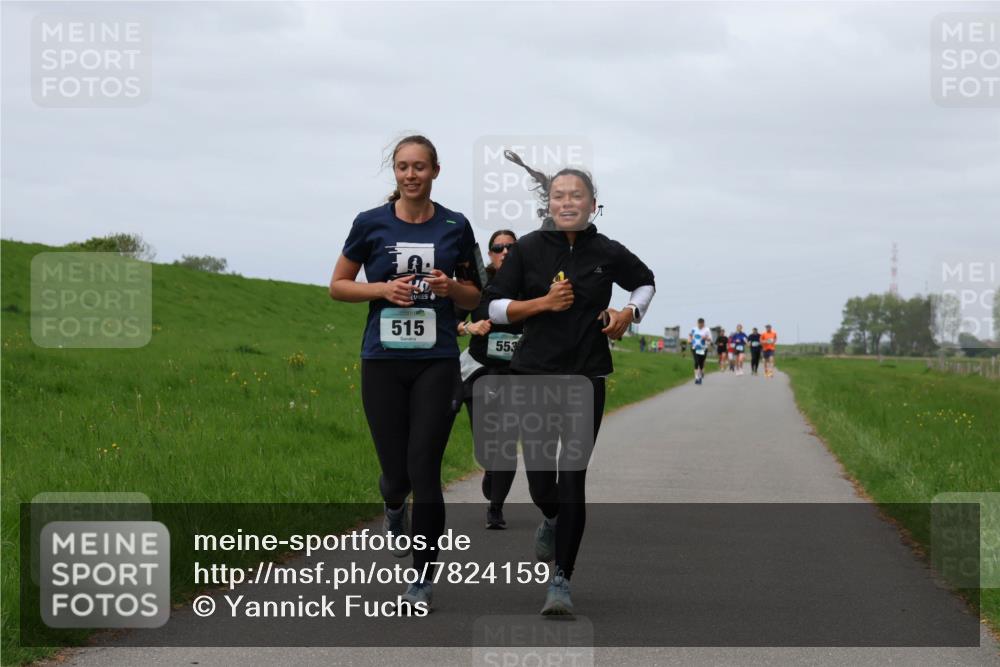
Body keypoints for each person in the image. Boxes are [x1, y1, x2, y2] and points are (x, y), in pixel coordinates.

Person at [485, 152, 655, 616]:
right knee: (544, 485)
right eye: (559, 195)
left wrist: (628, 313)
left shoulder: (608, 252)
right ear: (549, 202)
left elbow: (645, 282)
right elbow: (493, 308)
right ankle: (551, 518)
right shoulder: (526, 249)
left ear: (592, 203)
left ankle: (561, 579)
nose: (567, 201)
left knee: (573, 478)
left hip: (586, 376)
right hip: (533, 374)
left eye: (576, 195)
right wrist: (540, 303)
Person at [329, 135, 481, 610]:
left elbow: (476, 297)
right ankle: (393, 506)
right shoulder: (369, 223)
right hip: (383, 361)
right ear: (394, 173)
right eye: (402, 167)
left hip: (436, 360)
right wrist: (381, 290)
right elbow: (337, 286)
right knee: (396, 475)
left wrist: (452, 286)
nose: (411, 175)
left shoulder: (456, 225)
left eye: (419, 167)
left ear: (436, 171)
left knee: (425, 469)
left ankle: (421, 578)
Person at [456, 229, 522, 530]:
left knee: (507, 443)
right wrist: (471, 328)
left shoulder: (530, 283)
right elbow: (451, 320)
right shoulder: (478, 286)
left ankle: (496, 508)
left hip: (517, 374)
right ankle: (490, 470)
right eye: (498, 247)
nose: (505, 251)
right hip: (481, 370)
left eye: (511, 246)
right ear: (490, 253)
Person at [689, 317, 712, 384]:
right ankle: (697, 378)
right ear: (697, 323)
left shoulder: (707, 330)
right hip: (695, 348)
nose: (700, 326)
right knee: (696, 362)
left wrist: (706, 338)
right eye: (699, 324)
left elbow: (710, 339)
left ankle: (700, 374)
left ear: (703, 324)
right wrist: (689, 340)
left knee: (701, 364)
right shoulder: (694, 329)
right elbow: (690, 335)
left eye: (701, 325)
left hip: (703, 349)